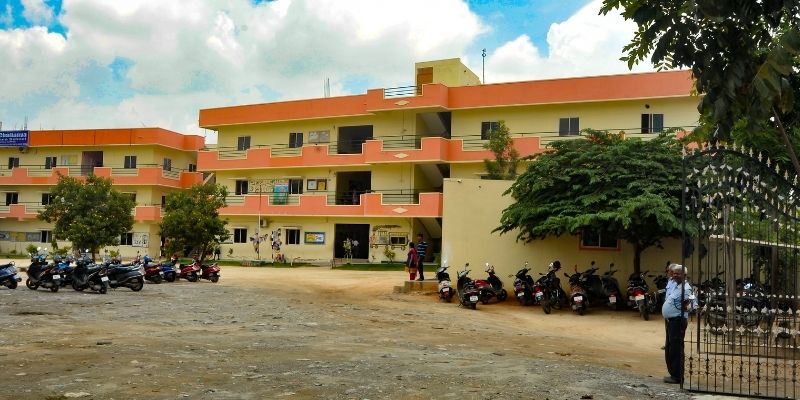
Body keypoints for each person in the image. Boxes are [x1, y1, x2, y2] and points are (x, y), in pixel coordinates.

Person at [662, 263, 694, 384]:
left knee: (676, 349)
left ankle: (677, 376)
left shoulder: (686, 289)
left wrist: (686, 306)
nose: (674, 275)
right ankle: (673, 374)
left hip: (678, 321)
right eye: (674, 273)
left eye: (678, 274)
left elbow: (690, 305)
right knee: (671, 348)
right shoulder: (677, 286)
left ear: (684, 275)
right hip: (672, 321)